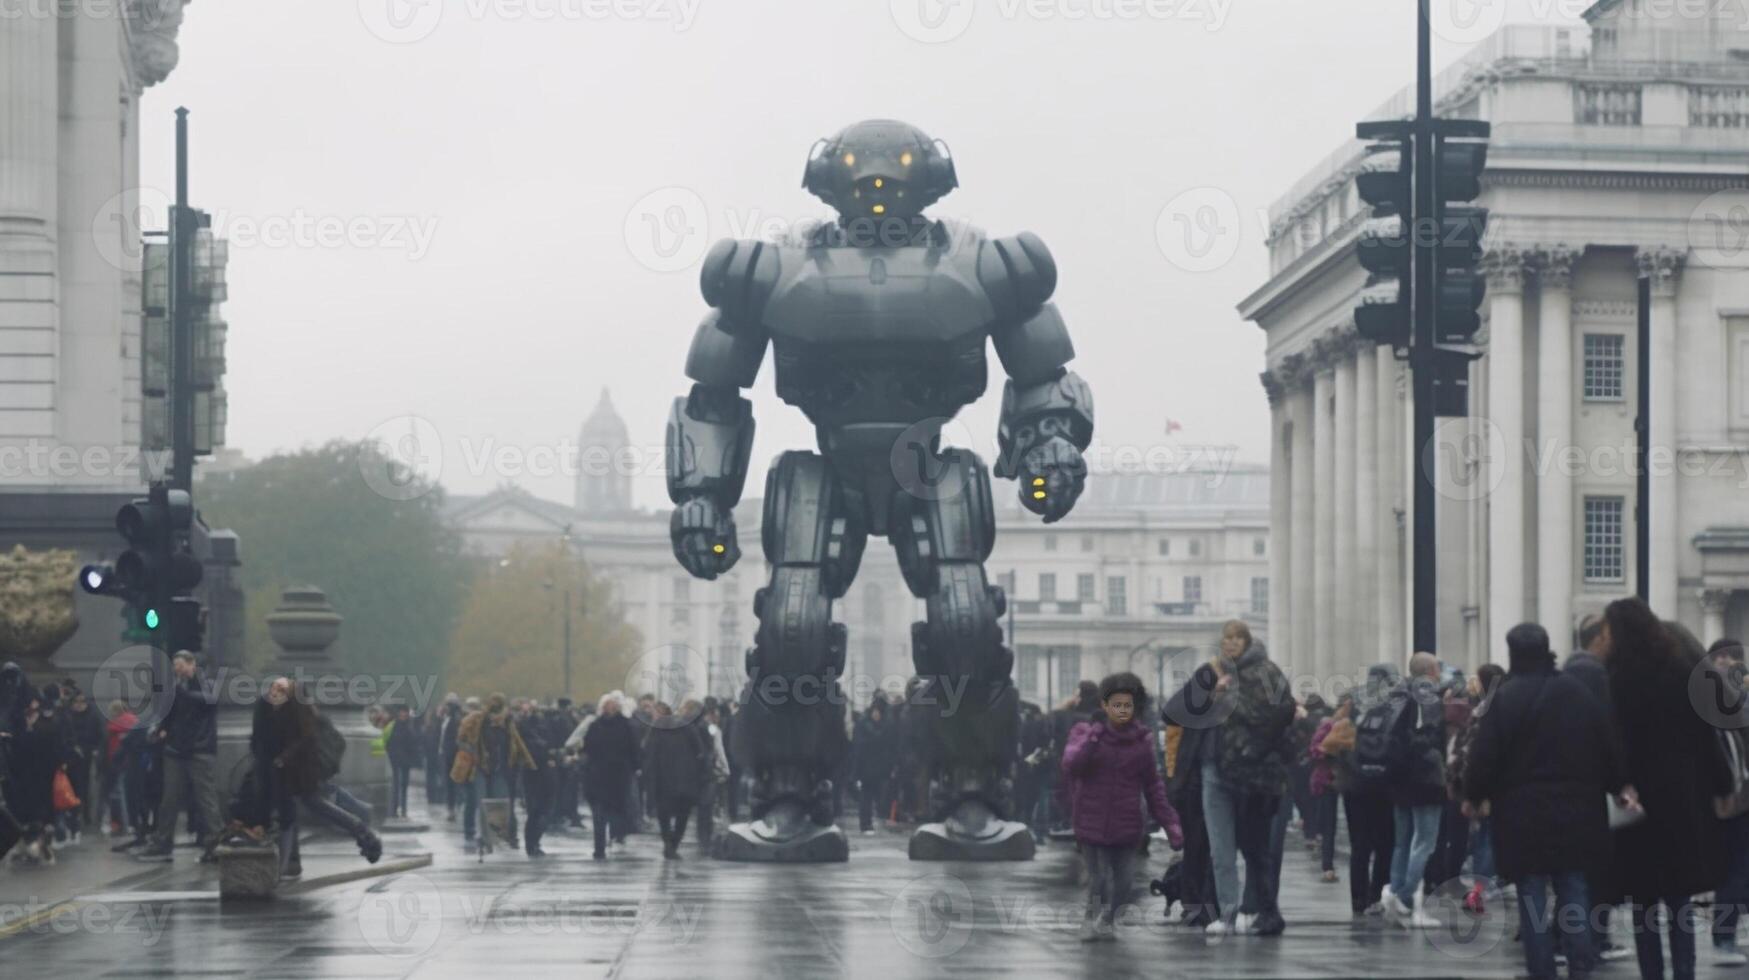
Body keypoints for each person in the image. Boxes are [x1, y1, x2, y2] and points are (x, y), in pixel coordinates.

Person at [1463, 623, 1630, 980]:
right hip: (1579, 809)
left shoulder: (1505, 698)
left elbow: (1484, 756)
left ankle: (1541, 969)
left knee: (1532, 893)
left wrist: (1473, 795)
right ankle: (1581, 964)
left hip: (1522, 813)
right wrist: (1619, 785)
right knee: (1574, 887)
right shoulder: (1576, 692)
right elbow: (1607, 745)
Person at [1604, 598, 1732, 980]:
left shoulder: (1617, 676)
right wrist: (1721, 782)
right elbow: (1705, 733)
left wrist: (1617, 782)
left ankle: (1652, 972)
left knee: (1644, 900)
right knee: (1679, 896)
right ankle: (1685, 971)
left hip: (1639, 799)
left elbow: (1614, 742)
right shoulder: (1682, 669)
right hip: (1684, 794)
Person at [1061, 672, 1183, 941]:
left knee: (1125, 883)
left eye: (1127, 705)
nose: (1122, 710)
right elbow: (1072, 766)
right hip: (1091, 822)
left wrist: (1171, 824)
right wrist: (1093, 740)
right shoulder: (1085, 732)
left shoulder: (1142, 743)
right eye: (1116, 704)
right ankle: (1091, 919)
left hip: (1127, 824)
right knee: (1099, 879)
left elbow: (1153, 787)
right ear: (1105, 706)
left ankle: (1109, 919)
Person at [1199, 621, 1295, 937]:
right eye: (1225, 639)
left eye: (1236, 638)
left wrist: (1252, 748)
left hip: (1258, 774)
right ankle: (1257, 911)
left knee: (1256, 847)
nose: (1230, 644)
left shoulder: (1265, 671)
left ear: (1246, 641)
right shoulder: (1227, 676)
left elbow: (1281, 711)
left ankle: (1266, 911)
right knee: (1245, 846)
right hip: (1232, 770)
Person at [251, 677, 382, 879]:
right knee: (293, 813)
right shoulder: (271, 709)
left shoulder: (298, 716)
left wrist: (281, 759)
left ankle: (362, 831)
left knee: (307, 809)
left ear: (291, 697)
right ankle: (290, 864)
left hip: (302, 773)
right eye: (273, 687)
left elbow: (301, 742)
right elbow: (262, 741)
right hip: (290, 773)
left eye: (281, 689)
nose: (274, 692)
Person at [1378, 652, 1447, 929]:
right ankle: (1405, 897)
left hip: (1399, 777)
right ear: (1430, 670)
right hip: (1424, 778)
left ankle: (1395, 891)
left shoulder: (1398, 693)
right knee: (1425, 841)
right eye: (1438, 668)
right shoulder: (1427, 693)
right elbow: (1430, 735)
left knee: (1402, 840)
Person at [139, 652, 222, 863]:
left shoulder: (206, 682)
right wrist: (160, 731)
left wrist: (181, 693)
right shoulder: (176, 687)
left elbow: (209, 701)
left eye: (180, 665)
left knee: (206, 799)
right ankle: (163, 842)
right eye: (175, 666)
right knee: (169, 799)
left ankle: (216, 843)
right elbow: (170, 715)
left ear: (192, 664)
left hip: (199, 749)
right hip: (176, 749)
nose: (177, 669)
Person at [1707, 637, 1749, 966]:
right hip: (1734, 797)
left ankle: (1726, 933)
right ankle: (1724, 936)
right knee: (1735, 868)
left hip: (1728, 794)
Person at [641, 701, 711, 859]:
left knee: (663, 814)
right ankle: (674, 843)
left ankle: (667, 842)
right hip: (686, 780)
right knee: (683, 814)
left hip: (663, 780)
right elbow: (700, 753)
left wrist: (648, 776)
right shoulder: (688, 727)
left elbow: (649, 754)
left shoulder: (657, 729)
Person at [584, 692, 640, 859]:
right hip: (603, 776)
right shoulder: (597, 726)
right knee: (600, 814)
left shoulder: (623, 726)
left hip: (614, 776)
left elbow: (633, 749)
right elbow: (588, 748)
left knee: (610, 812)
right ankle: (600, 846)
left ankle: (611, 838)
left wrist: (635, 766)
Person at [853, 698, 895, 836]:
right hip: (867, 766)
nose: (876, 714)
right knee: (867, 795)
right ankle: (866, 823)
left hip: (876, 766)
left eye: (878, 711)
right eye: (875, 711)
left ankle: (869, 821)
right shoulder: (866, 724)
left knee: (873, 794)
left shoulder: (884, 726)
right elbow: (858, 747)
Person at [385, 705, 420, 820]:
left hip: (405, 761)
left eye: (405, 713)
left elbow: (414, 745)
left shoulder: (409, 728)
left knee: (403, 786)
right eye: (401, 713)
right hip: (395, 760)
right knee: (396, 786)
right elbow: (387, 743)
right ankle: (395, 810)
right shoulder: (393, 726)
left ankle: (403, 810)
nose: (403, 715)